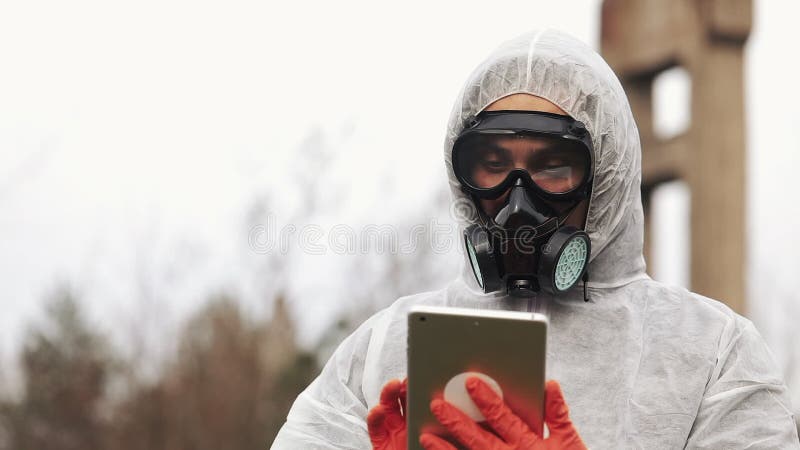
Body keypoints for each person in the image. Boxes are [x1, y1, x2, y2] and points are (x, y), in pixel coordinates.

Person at [272, 29, 799, 449]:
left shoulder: (713, 356)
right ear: (463, 180)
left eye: (553, 167)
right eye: (492, 165)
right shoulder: (384, 351)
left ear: (607, 176)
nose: (516, 200)